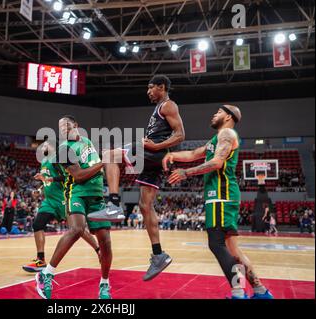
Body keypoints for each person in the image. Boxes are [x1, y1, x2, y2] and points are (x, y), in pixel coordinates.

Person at [165, 104, 273, 299]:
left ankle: (238, 292)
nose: (215, 114)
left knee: (216, 244)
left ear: (229, 116)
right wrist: (172, 155)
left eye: (219, 112)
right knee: (233, 251)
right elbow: (192, 154)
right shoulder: (217, 138)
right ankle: (260, 291)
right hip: (224, 196)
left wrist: (185, 172)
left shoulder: (227, 134)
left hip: (220, 195)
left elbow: (217, 163)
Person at [88, 75, 185, 281]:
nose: (148, 91)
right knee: (145, 205)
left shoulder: (168, 105)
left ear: (162, 87)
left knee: (108, 154)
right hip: (154, 158)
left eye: (151, 88)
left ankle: (113, 203)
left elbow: (180, 135)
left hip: (152, 153)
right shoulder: (159, 107)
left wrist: (155, 146)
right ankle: (159, 254)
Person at [35, 115, 113, 299]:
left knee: (106, 244)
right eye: (60, 127)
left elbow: (97, 166)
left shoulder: (87, 142)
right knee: (77, 229)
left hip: (97, 196)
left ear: (76, 125)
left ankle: (104, 284)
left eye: (66, 125)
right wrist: (104, 161)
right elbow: (78, 176)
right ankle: (47, 272)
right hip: (76, 193)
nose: (63, 129)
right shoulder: (63, 150)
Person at [23, 141, 101, 273]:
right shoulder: (44, 162)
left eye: (46, 144)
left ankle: (98, 249)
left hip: (62, 199)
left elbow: (65, 176)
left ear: (52, 146)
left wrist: (50, 179)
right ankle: (40, 260)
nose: (43, 146)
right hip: (49, 202)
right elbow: (47, 180)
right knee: (37, 224)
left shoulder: (57, 159)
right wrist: (40, 190)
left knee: (78, 229)